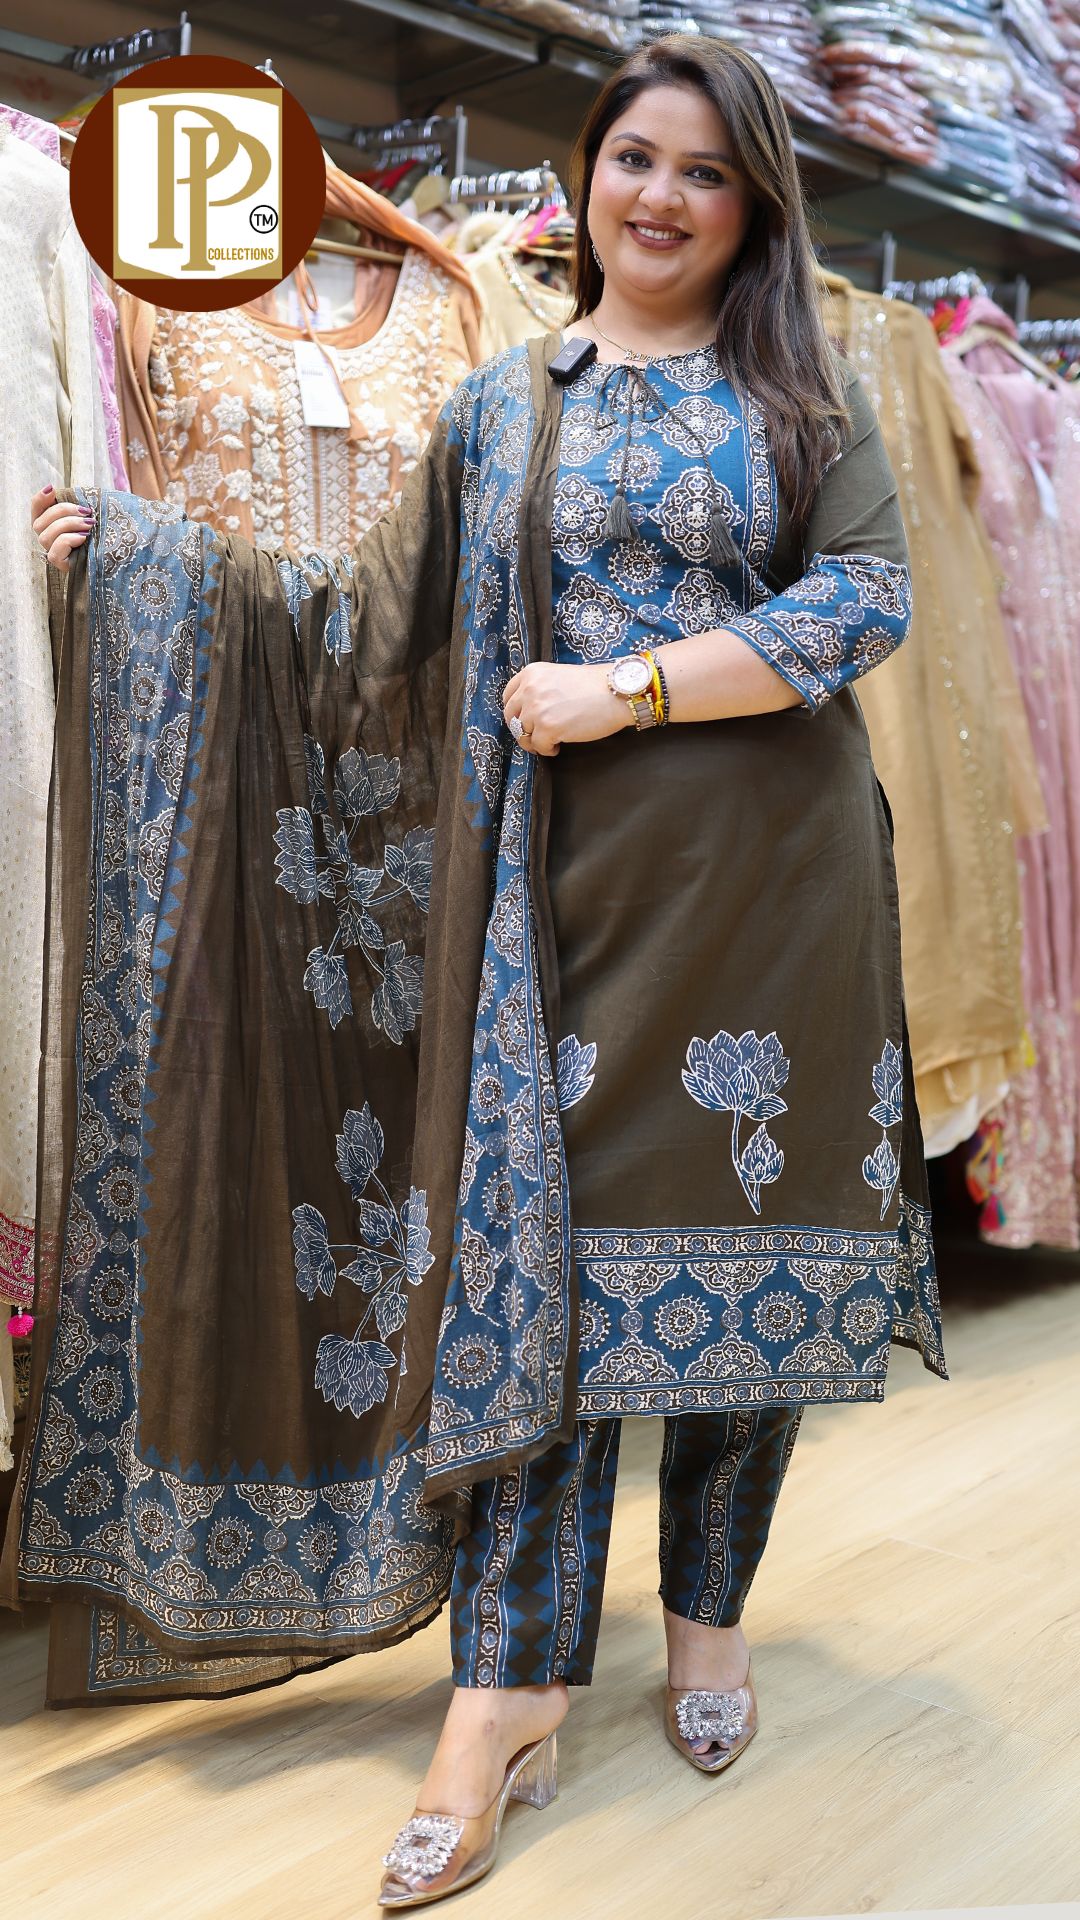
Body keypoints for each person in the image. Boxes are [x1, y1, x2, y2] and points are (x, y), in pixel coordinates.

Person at [30, 34, 946, 1910]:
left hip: (774, 885)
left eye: (705, 170)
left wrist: (626, 688)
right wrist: (155, 562)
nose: (660, 197)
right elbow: (363, 628)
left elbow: (864, 598)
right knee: (548, 1292)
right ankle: (506, 1693)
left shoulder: (801, 390)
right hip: (558, 902)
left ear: (754, 204)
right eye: (634, 158)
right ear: (588, 176)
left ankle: (706, 1619)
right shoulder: (502, 404)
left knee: (740, 1278)